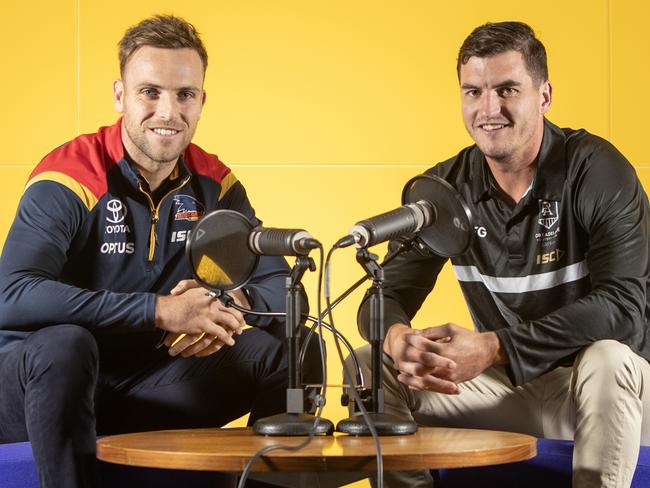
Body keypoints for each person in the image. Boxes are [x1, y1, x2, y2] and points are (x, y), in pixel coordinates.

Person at [0, 15, 311, 488]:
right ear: (120, 96)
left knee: (297, 350)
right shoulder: (71, 175)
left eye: (185, 94)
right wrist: (160, 310)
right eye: (150, 92)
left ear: (201, 101)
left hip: (149, 384)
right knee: (66, 345)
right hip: (42, 390)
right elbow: (13, 294)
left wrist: (223, 306)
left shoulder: (214, 183)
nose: (168, 111)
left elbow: (285, 292)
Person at [353, 21, 650, 488]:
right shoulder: (447, 188)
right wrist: (394, 337)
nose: (488, 109)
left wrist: (493, 347)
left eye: (507, 89)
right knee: (367, 364)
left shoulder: (597, 169)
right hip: (517, 389)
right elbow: (383, 292)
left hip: (610, 392)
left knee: (607, 358)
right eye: (473, 92)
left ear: (544, 95)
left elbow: (624, 311)